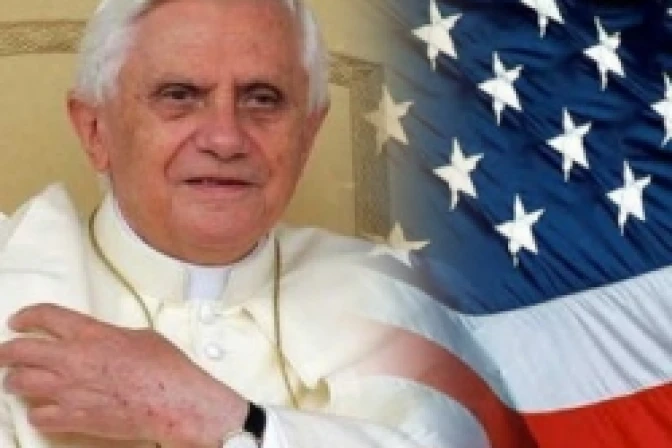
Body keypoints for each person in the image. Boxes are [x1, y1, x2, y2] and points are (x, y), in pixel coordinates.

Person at [0, 0, 457, 447]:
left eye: (262, 99)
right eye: (179, 96)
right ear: (95, 130)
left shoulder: (410, 303)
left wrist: (219, 418)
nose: (225, 138)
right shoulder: (13, 282)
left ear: (308, 135)